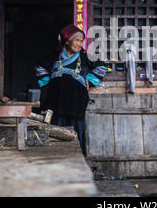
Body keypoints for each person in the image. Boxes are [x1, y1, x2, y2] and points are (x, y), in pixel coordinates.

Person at [35, 24, 108, 154]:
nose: (80, 44)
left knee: (76, 130)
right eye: (77, 40)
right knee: (56, 128)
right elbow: (40, 67)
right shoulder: (55, 55)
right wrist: (47, 83)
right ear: (67, 41)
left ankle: (77, 157)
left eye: (81, 41)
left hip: (76, 102)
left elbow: (102, 67)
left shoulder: (85, 57)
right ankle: (56, 157)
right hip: (56, 102)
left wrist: (90, 81)